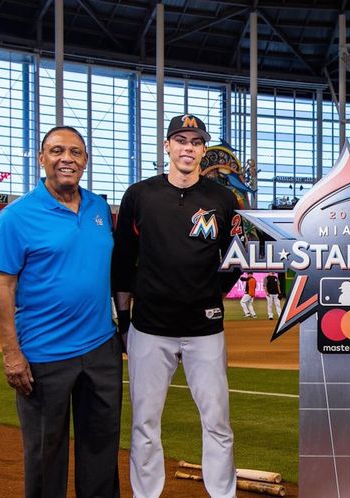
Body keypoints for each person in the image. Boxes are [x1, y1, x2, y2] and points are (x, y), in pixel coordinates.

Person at [112, 114, 242, 498]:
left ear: (204, 150)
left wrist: (211, 293)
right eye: (180, 140)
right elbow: (122, 260)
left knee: (217, 421)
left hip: (205, 330)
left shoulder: (221, 199)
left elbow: (235, 257)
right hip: (150, 328)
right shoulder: (140, 195)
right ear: (167, 146)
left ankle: (223, 494)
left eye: (196, 141)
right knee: (145, 422)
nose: (188, 147)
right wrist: (123, 319)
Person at [0, 126, 122, 497]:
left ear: (85, 160)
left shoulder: (98, 207)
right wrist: (12, 355)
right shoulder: (17, 216)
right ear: (42, 158)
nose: (67, 158)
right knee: (46, 457)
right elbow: (3, 286)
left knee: (101, 452)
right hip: (43, 356)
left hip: (100, 350)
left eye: (76, 152)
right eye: (58, 151)